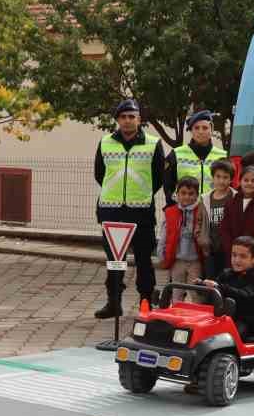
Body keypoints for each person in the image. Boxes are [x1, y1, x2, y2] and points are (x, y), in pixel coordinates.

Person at [94, 98, 165, 319]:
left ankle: (145, 302)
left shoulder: (153, 143)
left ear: (139, 120)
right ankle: (113, 303)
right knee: (115, 261)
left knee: (144, 260)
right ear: (117, 120)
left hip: (141, 211)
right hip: (111, 210)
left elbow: (158, 177)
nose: (127, 121)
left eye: (131, 116)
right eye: (123, 117)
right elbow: (99, 173)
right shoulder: (105, 142)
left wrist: (138, 194)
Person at [201, 236, 254, 342]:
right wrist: (202, 285)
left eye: (243, 256)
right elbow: (215, 288)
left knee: (228, 338)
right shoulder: (227, 274)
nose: (237, 260)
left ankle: (225, 355)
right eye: (234, 255)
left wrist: (219, 287)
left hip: (248, 322)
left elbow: (245, 296)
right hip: (225, 316)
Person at [158, 177, 210, 284]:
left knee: (196, 293)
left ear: (197, 195)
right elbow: (164, 234)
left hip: (195, 261)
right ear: (177, 194)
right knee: (177, 291)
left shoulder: (201, 211)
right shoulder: (169, 212)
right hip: (177, 260)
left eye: (191, 194)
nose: (187, 196)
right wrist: (161, 253)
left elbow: (205, 232)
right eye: (183, 193)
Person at [165, 110, 227, 199]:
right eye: (196, 128)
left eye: (205, 128)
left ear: (212, 129)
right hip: (185, 209)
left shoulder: (222, 156)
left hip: (213, 209)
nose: (201, 132)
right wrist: (174, 205)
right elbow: (168, 186)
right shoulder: (176, 154)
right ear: (191, 131)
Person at [220, 163, 254, 268]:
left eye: (253, 181)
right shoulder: (231, 203)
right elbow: (225, 228)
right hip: (233, 256)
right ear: (240, 182)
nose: (249, 183)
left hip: (252, 258)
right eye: (246, 180)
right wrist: (231, 251)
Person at [203, 159, 238, 279]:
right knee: (210, 280)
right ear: (213, 177)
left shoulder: (235, 197)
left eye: (225, 177)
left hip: (229, 249)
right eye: (218, 176)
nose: (221, 181)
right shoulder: (205, 198)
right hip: (211, 249)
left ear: (231, 179)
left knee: (227, 280)